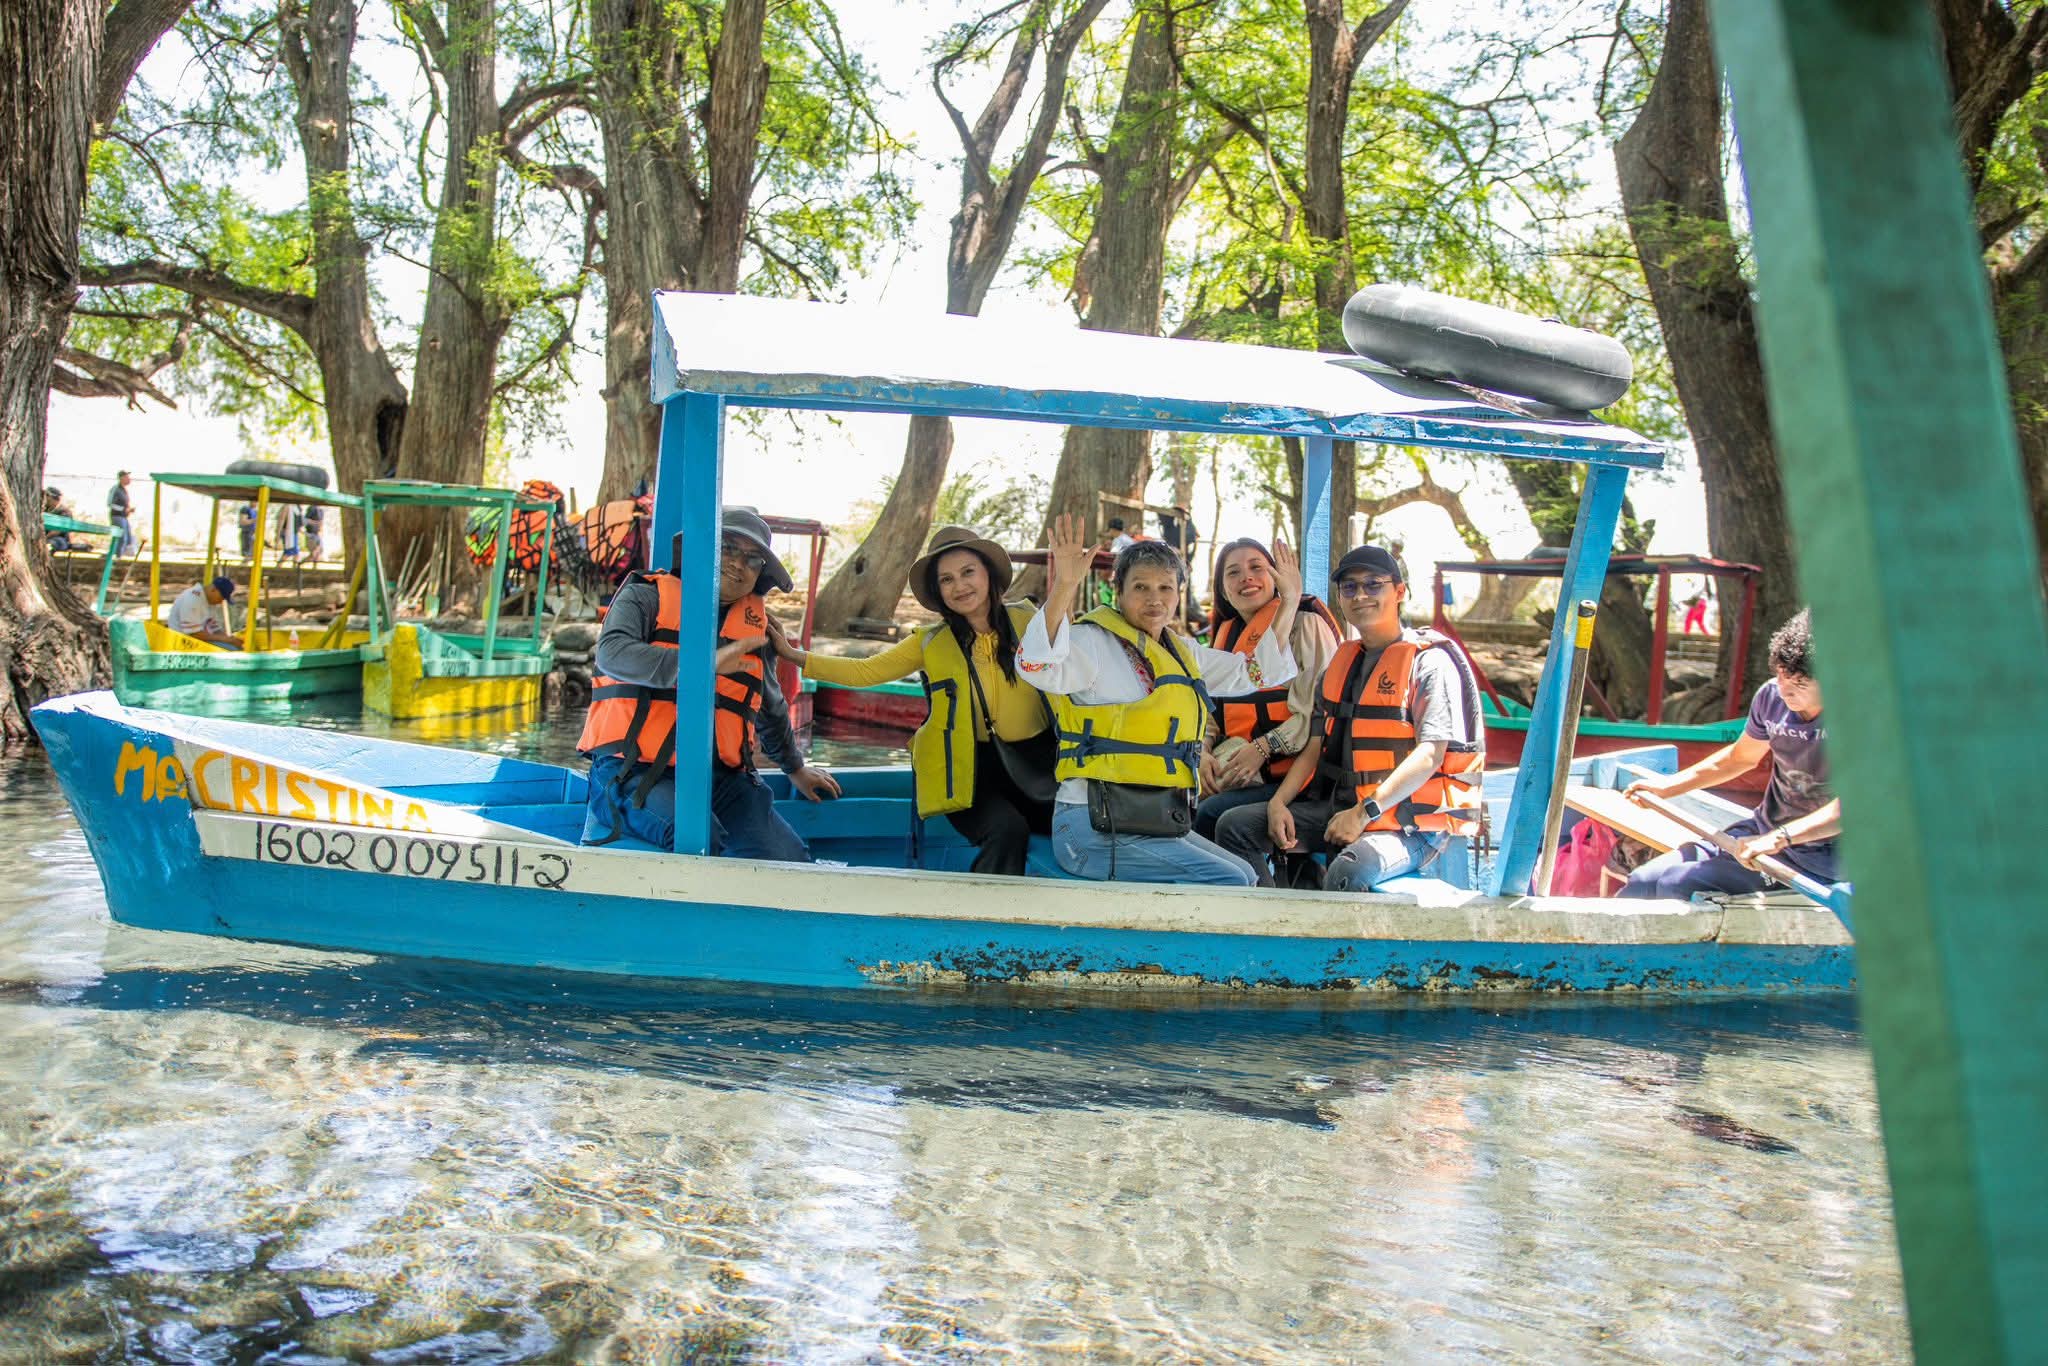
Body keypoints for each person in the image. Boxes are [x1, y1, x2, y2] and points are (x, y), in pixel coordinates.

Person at [1018, 512, 1301, 885]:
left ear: (1179, 595)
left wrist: (1290, 600)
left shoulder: (1184, 653)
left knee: (1247, 875)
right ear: (1118, 594)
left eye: (1165, 588)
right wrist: (1065, 587)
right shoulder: (1090, 642)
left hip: (1153, 818)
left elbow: (1255, 674)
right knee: (1231, 881)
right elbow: (1035, 665)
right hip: (1091, 827)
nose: (1154, 599)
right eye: (1140, 588)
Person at [773, 525, 1055, 875]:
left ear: (988, 574)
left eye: (968, 572)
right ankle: (984, 921)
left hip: (1041, 763)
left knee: (1085, 824)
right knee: (1007, 831)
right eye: (947, 579)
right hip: (970, 774)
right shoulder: (930, 642)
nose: (960, 586)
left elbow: (1075, 650)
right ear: (938, 591)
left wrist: (1069, 581)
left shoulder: (1029, 620)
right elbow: (864, 672)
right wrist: (793, 655)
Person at [1216, 545, 1486, 892]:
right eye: (1350, 587)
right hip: (1341, 808)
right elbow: (1315, 746)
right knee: (1234, 826)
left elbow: (1430, 755)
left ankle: (1333, 945)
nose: (1361, 595)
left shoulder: (1429, 663)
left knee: (1349, 870)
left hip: (1407, 824)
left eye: (1374, 585)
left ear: (1399, 592)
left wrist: (1364, 812)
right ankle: (1277, 923)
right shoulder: (1340, 665)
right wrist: (1279, 803)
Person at [578, 506, 839, 857]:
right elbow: (613, 654)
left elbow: (769, 705)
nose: (738, 563)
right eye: (727, 548)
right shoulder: (646, 595)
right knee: (698, 836)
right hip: (631, 771)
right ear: (702, 549)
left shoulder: (757, 626)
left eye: (752, 558)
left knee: (788, 859)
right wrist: (704, 664)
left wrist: (794, 767)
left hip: (723, 779)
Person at [1620, 609, 1840, 899]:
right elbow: (1740, 758)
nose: (1785, 690)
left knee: (1678, 885)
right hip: (1762, 832)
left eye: (1799, 683)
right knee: (1642, 882)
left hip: (1821, 860)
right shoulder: (1771, 697)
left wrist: (1780, 839)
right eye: (1781, 676)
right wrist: (1668, 787)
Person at [1195, 538, 1342, 843]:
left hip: (1296, 777)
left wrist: (1262, 748)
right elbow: (1210, 713)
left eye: (1256, 568)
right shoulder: (1225, 635)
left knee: (1209, 813)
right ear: (1223, 590)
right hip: (1237, 771)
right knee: (1174, 799)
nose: (1246, 577)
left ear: (1276, 578)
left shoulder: (1306, 625)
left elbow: (1315, 716)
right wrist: (1203, 752)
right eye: (1232, 573)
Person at [166, 575, 242, 647]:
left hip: (199, 641)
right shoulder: (193, 599)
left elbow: (214, 629)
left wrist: (231, 639)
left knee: (235, 647)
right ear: (213, 590)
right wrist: (226, 639)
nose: (221, 602)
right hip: (184, 643)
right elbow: (195, 634)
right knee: (231, 650)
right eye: (221, 598)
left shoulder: (209, 601)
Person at [108, 471, 136, 555]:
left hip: (124, 517)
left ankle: (119, 555)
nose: (129, 479)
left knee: (128, 538)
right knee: (121, 537)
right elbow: (110, 503)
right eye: (127, 477)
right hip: (117, 516)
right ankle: (116, 556)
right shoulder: (115, 489)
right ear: (121, 478)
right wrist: (123, 509)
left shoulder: (124, 490)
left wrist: (129, 510)